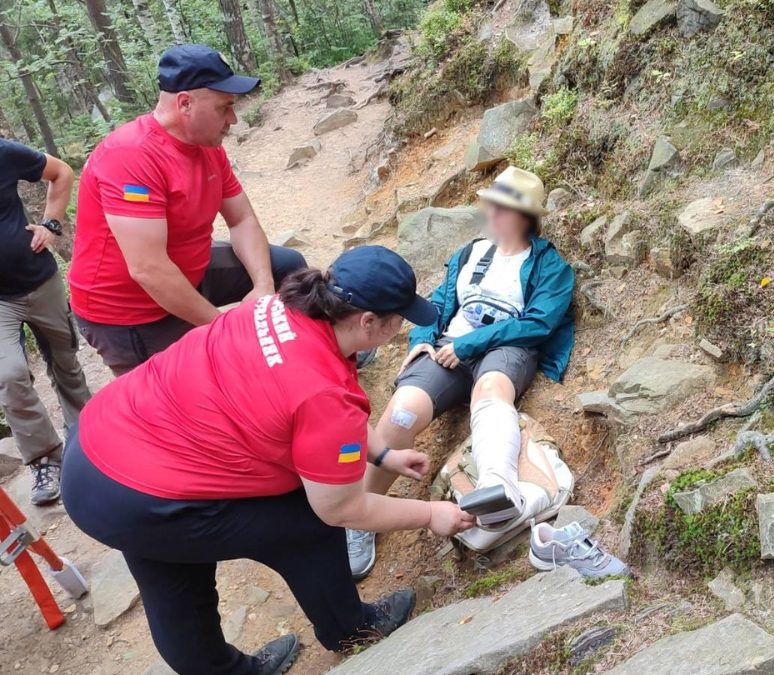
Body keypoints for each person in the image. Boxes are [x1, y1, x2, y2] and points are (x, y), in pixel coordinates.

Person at [62, 246, 476, 675]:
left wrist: (382, 453)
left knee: (170, 570)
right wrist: (430, 514)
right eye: (399, 319)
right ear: (368, 322)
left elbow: (307, 405)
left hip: (98, 451)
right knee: (306, 522)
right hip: (142, 490)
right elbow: (340, 507)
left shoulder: (276, 307)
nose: (400, 327)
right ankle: (352, 628)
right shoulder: (324, 392)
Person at [348, 167, 575, 579]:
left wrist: (468, 345)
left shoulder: (550, 266)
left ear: (524, 215)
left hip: (507, 349)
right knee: (403, 410)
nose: (490, 212)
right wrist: (422, 335)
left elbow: (539, 323)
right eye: (491, 204)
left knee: (491, 389)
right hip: (448, 345)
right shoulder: (470, 253)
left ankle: (497, 486)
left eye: (501, 207)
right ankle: (359, 514)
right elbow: (438, 300)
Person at [68, 44, 307, 376]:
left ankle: (299, 353)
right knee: (188, 395)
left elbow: (242, 219)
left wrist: (263, 285)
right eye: (225, 108)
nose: (233, 119)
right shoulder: (131, 156)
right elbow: (148, 270)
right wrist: (223, 325)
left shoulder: (207, 147)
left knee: (288, 267)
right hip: (131, 312)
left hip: (191, 270)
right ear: (185, 103)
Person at [0, 136, 91, 506]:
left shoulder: (3, 153)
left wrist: (50, 225)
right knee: (9, 376)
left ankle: (87, 439)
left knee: (66, 361)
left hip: (40, 281)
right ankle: (44, 460)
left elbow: (61, 172)